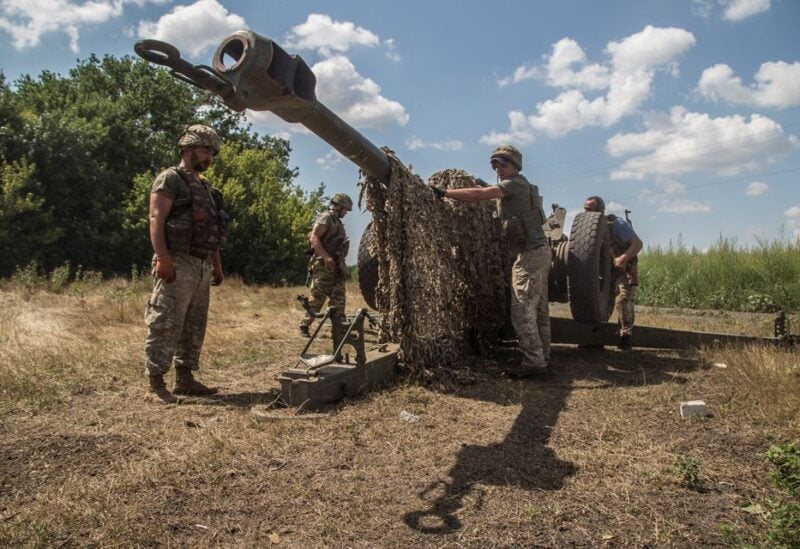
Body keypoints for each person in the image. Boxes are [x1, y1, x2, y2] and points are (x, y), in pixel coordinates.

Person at [432, 145, 551, 376]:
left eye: (503, 165)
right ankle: (542, 356)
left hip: (530, 254)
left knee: (522, 309)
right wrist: (485, 185)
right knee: (539, 310)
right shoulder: (519, 186)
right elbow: (493, 193)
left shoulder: (515, 183)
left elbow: (480, 196)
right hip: (537, 253)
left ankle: (534, 363)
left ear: (516, 166)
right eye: (495, 165)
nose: (498, 169)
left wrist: (444, 193)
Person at [144, 124, 227, 403]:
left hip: (201, 263)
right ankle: (156, 384)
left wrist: (216, 265)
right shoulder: (170, 178)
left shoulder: (205, 186)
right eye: (206, 150)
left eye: (212, 153)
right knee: (166, 321)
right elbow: (156, 218)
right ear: (187, 149)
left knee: (194, 324)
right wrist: (163, 257)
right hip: (177, 260)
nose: (210, 157)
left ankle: (185, 379)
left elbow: (211, 230)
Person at [583, 196, 643, 350]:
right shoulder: (585, 228)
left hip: (623, 269)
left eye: (590, 209)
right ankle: (596, 338)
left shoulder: (615, 224)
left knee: (622, 298)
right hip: (605, 270)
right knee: (600, 302)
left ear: (600, 210)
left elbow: (637, 243)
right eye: (585, 208)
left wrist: (623, 257)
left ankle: (625, 338)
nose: (586, 211)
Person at [299, 193, 353, 340]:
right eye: (345, 210)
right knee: (318, 297)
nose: (346, 213)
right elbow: (314, 238)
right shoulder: (326, 218)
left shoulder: (338, 222)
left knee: (338, 298)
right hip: (323, 265)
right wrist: (326, 257)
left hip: (336, 265)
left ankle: (338, 330)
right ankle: (304, 325)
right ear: (338, 207)